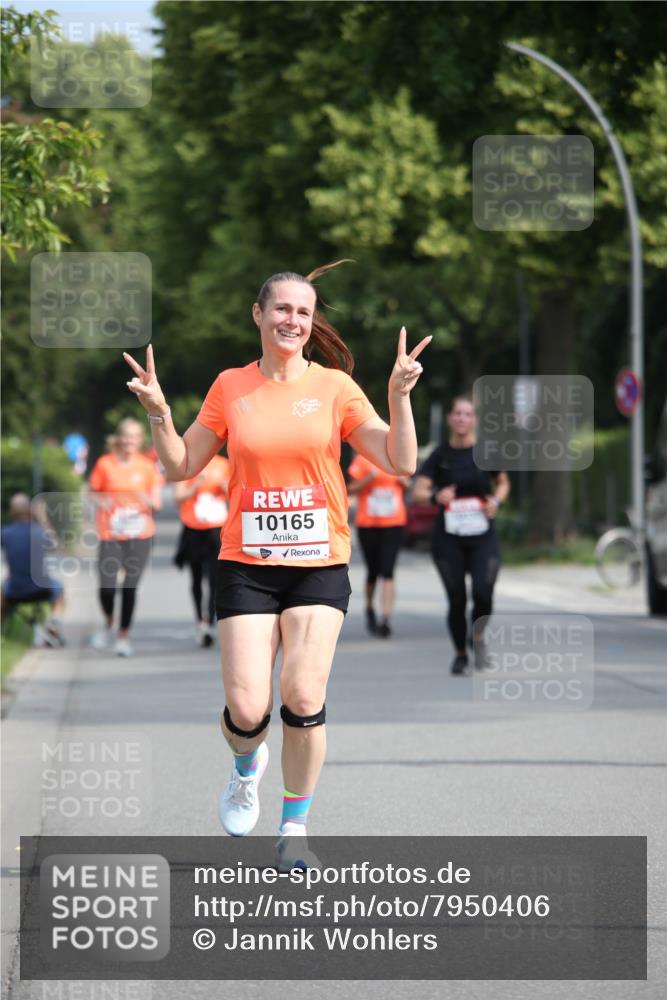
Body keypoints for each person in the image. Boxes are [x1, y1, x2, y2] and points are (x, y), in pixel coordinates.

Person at [123, 261, 430, 866]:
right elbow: (182, 465)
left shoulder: (337, 388)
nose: (293, 320)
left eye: (304, 312)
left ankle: (295, 828)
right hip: (247, 561)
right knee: (247, 709)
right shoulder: (230, 386)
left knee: (303, 691)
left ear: (313, 325)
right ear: (259, 315)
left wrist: (399, 397)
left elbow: (401, 461)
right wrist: (158, 410)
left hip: (319, 560)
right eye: (283, 309)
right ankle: (245, 765)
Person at [412, 396, 510, 675]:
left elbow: (502, 482)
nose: (462, 419)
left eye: (468, 414)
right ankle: (460, 654)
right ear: (450, 419)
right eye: (457, 413)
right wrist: (435, 495)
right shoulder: (440, 455)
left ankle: (476, 637)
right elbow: (418, 493)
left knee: (483, 593)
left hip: (482, 536)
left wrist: (497, 502)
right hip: (449, 538)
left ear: (474, 420)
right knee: (456, 599)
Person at [87, 418, 163, 657]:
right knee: (107, 587)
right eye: (126, 436)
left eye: (135, 436)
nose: (130, 440)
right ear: (119, 438)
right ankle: (109, 620)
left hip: (140, 534)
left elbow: (158, 504)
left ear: (140, 440)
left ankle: (123, 636)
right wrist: (103, 501)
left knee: (130, 585)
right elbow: (92, 493)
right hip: (111, 533)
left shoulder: (146, 467)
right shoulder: (105, 464)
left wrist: (147, 500)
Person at [346, 453, 409, 637]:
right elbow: (351, 489)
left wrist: (402, 480)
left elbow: (409, 485)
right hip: (368, 524)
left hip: (394, 523)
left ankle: (386, 618)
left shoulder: (396, 459)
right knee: (373, 571)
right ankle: (369, 607)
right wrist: (369, 478)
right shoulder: (362, 460)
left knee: (388, 571)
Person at [173, 454, 230, 647]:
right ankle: (200, 620)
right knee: (196, 578)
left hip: (216, 529)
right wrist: (195, 486)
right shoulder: (189, 463)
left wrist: (225, 489)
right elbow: (177, 497)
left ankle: (210, 622)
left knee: (215, 579)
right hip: (193, 529)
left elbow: (238, 494)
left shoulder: (224, 465)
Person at [1, 493, 65, 646]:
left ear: (11, 513)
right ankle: (54, 622)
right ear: (30, 511)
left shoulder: (5, 533)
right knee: (60, 590)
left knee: (2, 592)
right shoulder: (39, 531)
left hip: (15, 590)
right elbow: (57, 546)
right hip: (43, 588)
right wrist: (43, 519)